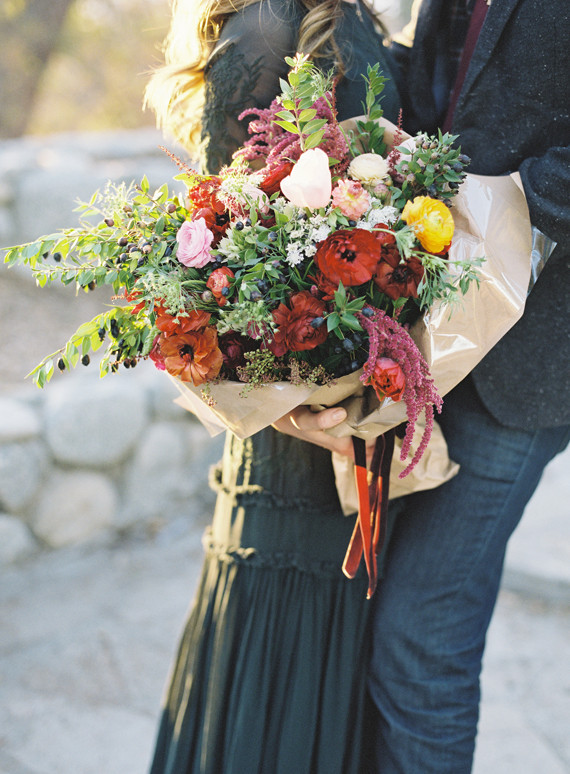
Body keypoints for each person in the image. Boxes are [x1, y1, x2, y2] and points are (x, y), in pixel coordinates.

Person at [284, 0, 570, 771]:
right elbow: (444, 81)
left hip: (538, 353)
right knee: (393, 618)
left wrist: (517, 201)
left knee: (422, 633)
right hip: (438, 328)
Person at [144, 1, 401, 772]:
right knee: (275, 689)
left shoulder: (350, 15)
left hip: (347, 410)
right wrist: (294, 418)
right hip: (295, 440)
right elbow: (218, 266)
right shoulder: (261, 30)